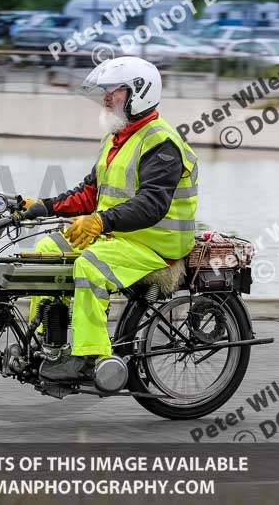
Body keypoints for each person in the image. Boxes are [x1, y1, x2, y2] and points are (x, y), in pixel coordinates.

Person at [21, 56, 199, 382]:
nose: (106, 99)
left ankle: (90, 358)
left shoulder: (162, 142)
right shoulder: (118, 139)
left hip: (155, 244)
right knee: (46, 249)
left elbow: (151, 204)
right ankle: (49, 344)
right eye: (106, 92)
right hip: (118, 236)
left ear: (138, 93)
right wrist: (42, 206)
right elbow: (90, 193)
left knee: (89, 266)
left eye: (114, 92)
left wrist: (100, 222)